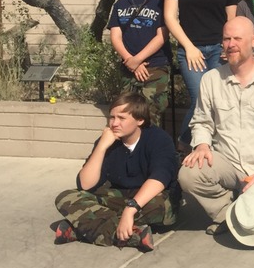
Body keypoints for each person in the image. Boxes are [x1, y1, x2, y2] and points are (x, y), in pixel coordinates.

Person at [179, 16, 254, 242]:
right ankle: (226, 212)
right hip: (229, 164)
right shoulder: (211, 79)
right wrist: (202, 144)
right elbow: (202, 121)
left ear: (253, 40)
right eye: (226, 39)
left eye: (237, 39)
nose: (231, 44)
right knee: (189, 173)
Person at [53, 92, 179, 252]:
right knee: (66, 198)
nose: (114, 123)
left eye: (121, 118)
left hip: (149, 197)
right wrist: (101, 147)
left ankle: (82, 229)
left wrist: (129, 210)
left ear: (140, 120)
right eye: (112, 117)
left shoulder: (159, 139)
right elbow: (85, 185)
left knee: (162, 206)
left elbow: (160, 178)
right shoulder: (108, 141)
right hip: (118, 196)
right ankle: (133, 236)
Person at [163, 0, 240, 144]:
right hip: (190, 50)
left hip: (219, 49)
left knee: (219, 98)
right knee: (200, 97)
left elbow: (231, 19)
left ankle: (211, 145)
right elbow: (170, 17)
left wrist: (228, 46)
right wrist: (188, 47)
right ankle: (185, 143)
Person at [107, 0, 170, 127]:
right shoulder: (120, 5)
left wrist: (138, 60)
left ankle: (151, 151)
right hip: (128, 66)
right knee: (125, 112)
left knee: (151, 112)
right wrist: (130, 60)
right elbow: (115, 35)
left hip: (155, 65)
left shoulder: (161, 3)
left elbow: (162, 35)